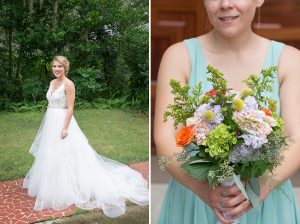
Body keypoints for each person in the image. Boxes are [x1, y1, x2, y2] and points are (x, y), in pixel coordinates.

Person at [154, 0, 300, 223]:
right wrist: (203, 189)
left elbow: (296, 137)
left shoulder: (289, 60)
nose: (225, 4)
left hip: (266, 200)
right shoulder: (178, 56)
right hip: (195, 198)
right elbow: (165, 135)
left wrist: (257, 190)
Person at [23, 56, 148, 218]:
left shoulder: (69, 84)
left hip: (63, 121)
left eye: (59, 66)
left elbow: (70, 107)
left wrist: (65, 128)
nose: (56, 69)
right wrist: (47, 122)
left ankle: (72, 186)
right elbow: (50, 104)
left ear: (65, 68)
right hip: (51, 121)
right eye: (54, 66)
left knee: (68, 154)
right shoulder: (52, 83)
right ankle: (52, 185)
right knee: (51, 154)